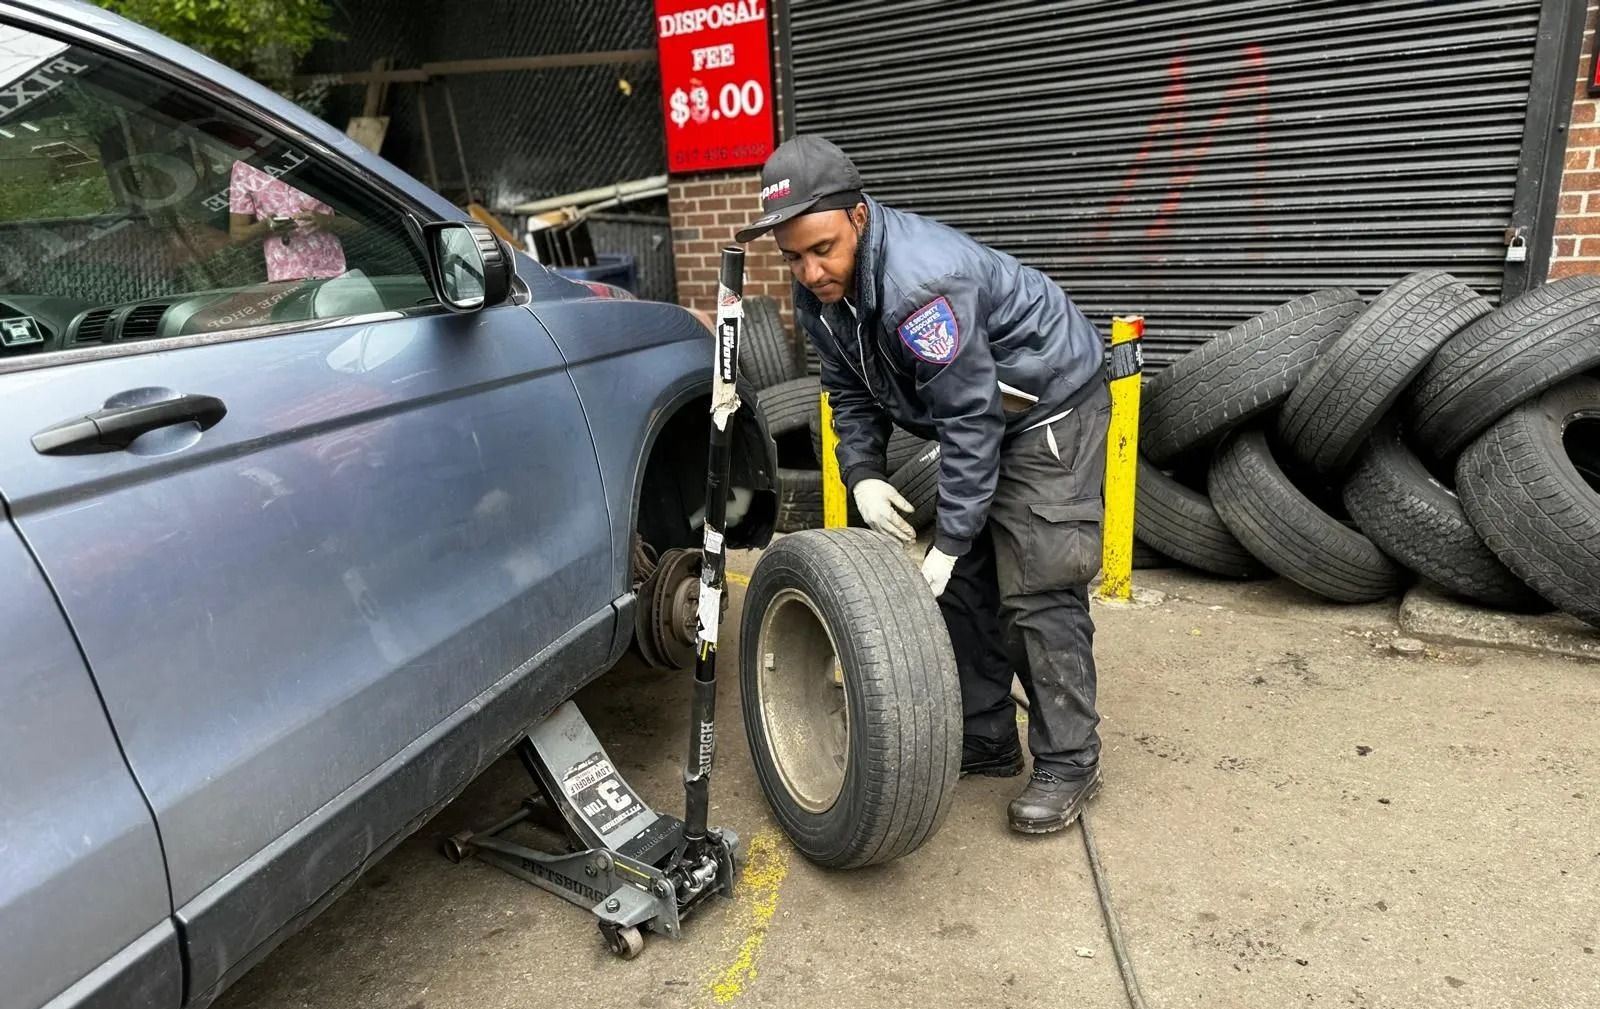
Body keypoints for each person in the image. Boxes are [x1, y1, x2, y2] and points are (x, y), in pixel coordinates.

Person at [736, 135, 1111, 834]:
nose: (810, 270)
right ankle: (988, 733)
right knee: (965, 582)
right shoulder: (823, 293)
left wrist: (953, 535)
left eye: (822, 248)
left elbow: (969, 415)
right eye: (792, 255)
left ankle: (1069, 757)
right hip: (984, 406)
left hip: (1049, 398)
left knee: (1037, 578)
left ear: (857, 217)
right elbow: (847, 391)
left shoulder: (919, 286)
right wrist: (865, 474)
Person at [227, 159, 348, 283]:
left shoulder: (312, 155)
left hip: (333, 273)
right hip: (285, 279)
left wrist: (327, 221)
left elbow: (362, 221)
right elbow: (237, 236)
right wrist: (266, 226)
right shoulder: (244, 169)